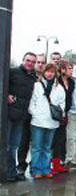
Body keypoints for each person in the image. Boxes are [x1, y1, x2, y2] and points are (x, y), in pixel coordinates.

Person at [28, 63, 65, 179]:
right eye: (48, 71)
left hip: (52, 122)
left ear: (55, 73)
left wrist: (59, 114)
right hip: (38, 121)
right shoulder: (37, 86)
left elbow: (62, 103)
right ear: (43, 72)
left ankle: (46, 168)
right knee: (37, 147)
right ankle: (36, 169)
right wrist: (35, 113)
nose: (49, 74)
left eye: (52, 72)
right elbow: (31, 102)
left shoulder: (59, 88)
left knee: (47, 147)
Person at [7, 52, 37, 181]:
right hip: (8, 115)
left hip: (21, 117)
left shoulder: (33, 78)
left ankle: (11, 172)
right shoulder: (12, 72)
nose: (29, 63)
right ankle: (8, 173)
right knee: (6, 145)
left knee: (14, 146)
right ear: (23, 60)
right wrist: (7, 95)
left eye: (32, 61)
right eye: (28, 60)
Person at [50, 60, 74, 174]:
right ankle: (51, 165)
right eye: (69, 68)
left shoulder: (71, 82)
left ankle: (58, 164)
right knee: (53, 140)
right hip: (55, 114)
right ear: (63, 69)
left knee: (60, 140)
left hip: (65, 114)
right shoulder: (56, 82)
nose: (72, 71)